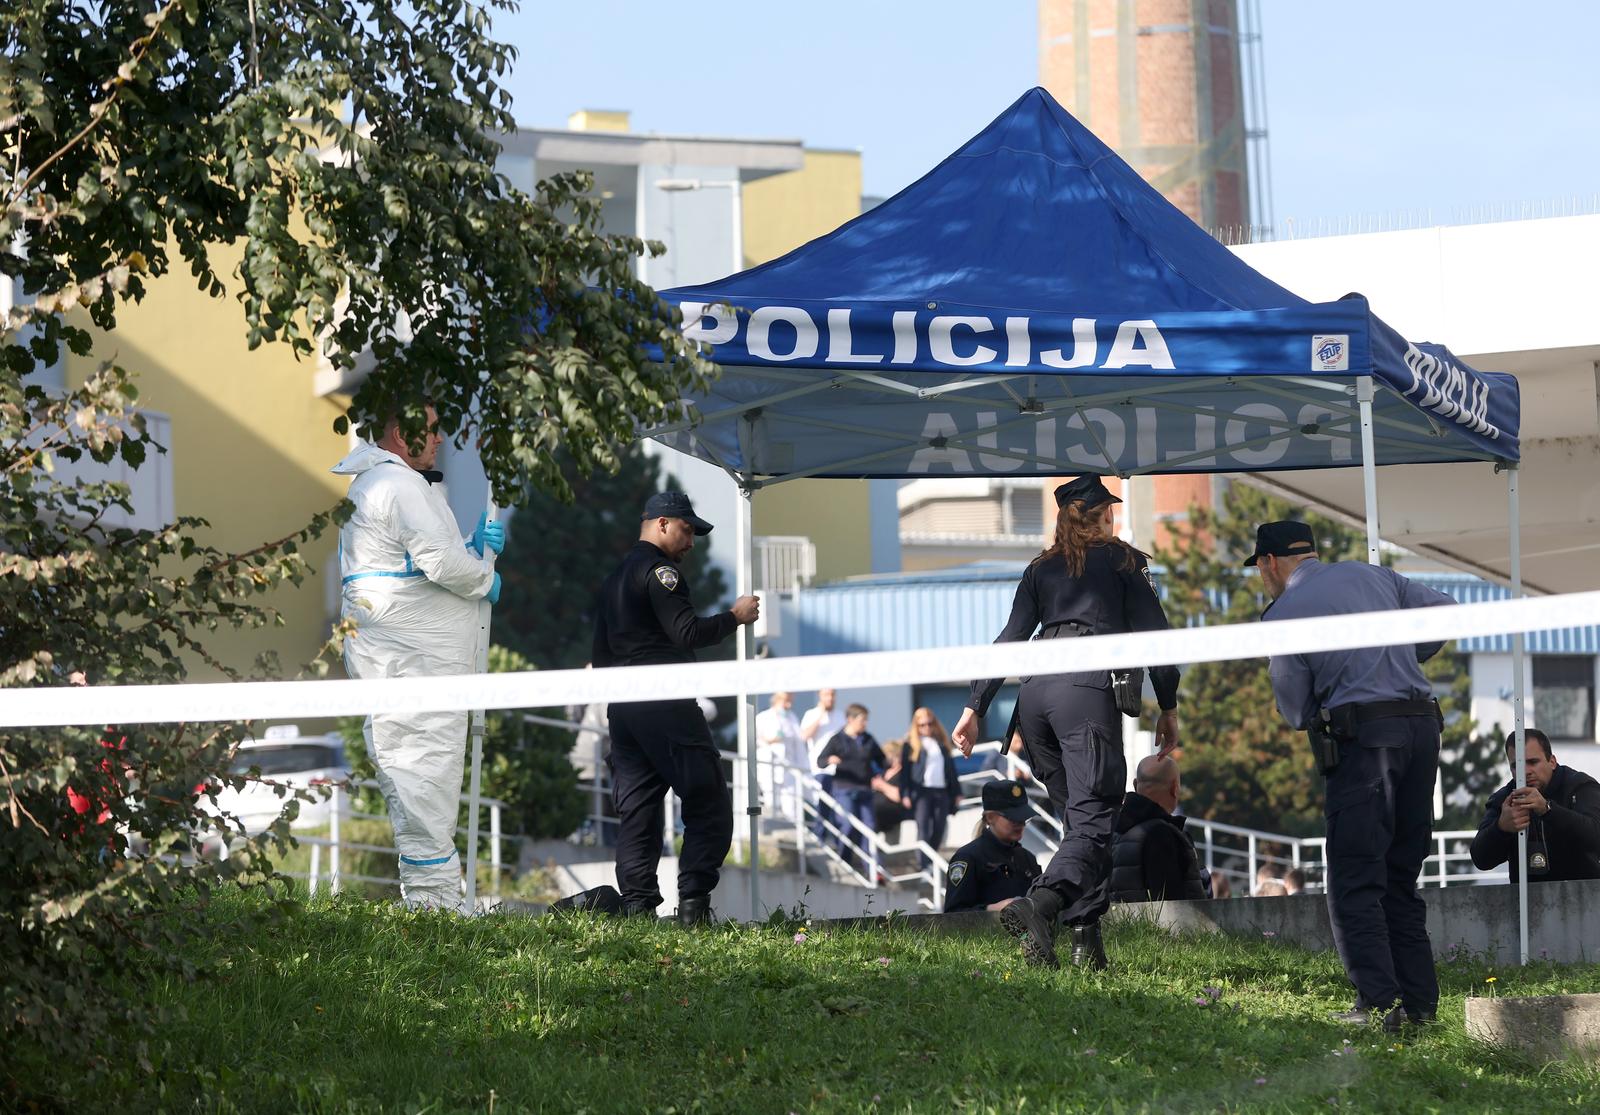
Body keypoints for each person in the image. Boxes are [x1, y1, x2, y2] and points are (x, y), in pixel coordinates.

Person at [952, 475, 1181, 971]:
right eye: (1109, 512)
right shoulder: (1123, 560)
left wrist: (975, 708)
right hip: (1084, 692)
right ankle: (1041, 904)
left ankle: (1086, 948)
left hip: (1035, 697)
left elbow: (1010, 638)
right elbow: (1157, 638)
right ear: (1102, 515)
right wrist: (1169, 704)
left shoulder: (1040, 568)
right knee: (1096, 819)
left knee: (1082, 825)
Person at [1255, 519, 1456, 1031]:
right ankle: (1419, 1009)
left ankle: (1380, 1004)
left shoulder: (1284, 612)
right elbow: (1447, 612)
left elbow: (1295, 709)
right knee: (1399, 878)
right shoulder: (1376, 576)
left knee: (1354, 878)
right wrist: (1401, 657)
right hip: (1421, 727)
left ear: (1269, 564)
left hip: (1367, 742)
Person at [334, 404, 502, 913]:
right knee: (423, 774)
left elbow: (412, 562)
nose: (438, 438)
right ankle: (435, 907)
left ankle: (437, 901)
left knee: (422, 776)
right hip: (414, 663)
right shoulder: (399, 486)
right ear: (401, 433)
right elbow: (439, 563)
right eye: (429, 430)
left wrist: (469, 548)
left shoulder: (383, 485)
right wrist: (481, 575)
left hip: (404, 660)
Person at [591, 490, 760, 925]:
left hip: (624, 710)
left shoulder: (613, 579)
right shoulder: (661, 572)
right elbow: (686, 633)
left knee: (639, 813)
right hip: (665, 701)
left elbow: (601, 656)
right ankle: (693, 907)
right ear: (662, 523)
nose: (691, 542)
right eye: (687, 530)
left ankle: (638, 909)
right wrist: (735, 617)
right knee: (709, 803)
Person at [1470, 728, 1600, 882]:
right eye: (1516, 766)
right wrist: (1501, 829)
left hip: (1585, 897)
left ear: (1552, 761)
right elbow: (1481, 860)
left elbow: (1595, 836)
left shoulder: (1579, 786)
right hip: (1529, 902)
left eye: (1533, 762)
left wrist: (1548, 810)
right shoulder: (1505, 799)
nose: (1525, 771)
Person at [1108, 755, 1207, 904]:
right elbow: (1172, 905)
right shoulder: (1162, 834)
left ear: (1135, 785)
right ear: (1175, 788)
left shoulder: (1112, 832)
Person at [817, 704, 894, 874]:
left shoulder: (867, 739)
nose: (865, 723)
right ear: (850, 720)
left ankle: (874, 870)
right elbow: (820, 761)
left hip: (864, 789)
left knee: (869, 827)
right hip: (844, 789)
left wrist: (890, 768)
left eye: (866, 720)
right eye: (862, 720)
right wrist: (830, 759)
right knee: (848, 826)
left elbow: (881, 760)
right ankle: (844, 860)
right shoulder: (837, 739)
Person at [944, 779, 1042, 913]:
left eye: (1023, 818)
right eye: (1013, 819)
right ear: (990, 818)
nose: (1020, 824)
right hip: (986, 934)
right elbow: (952, 915)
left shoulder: (1027, 858)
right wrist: (992, 910)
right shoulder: (968, 858)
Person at [897, 708, 961, 860]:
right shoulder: (910, 745)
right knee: (923, 829)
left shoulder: (941, 744)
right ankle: (923, 865)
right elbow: (904, 773)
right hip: (921, 791)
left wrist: (957, 792)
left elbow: (951, 770)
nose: (926, 727)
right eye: (922, 725)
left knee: (939, 827)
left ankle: (930, 860)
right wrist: (905, 794)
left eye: (929, 724)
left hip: (941, 790)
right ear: (916, 726)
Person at [800, 689, 846, 841]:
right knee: (822, 807)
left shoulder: (841, 716)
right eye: (827, 695)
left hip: (838, 771)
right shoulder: (811, 714)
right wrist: (821, 715)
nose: (830, 698)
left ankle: (837, 841)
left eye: (832, 695)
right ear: (820, 696)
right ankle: (820, 838)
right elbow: (804, 736)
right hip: (818, 768)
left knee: (838, 810)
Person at [755, 691, 807, 823]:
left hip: (789, 767)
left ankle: (793, 833)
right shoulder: (763, 717)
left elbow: (798, 742)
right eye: (785, 701)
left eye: (790, 701)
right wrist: (771, 740)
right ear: (776, 700)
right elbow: (755, 739)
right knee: (772, 801)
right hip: (769, 764)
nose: (788, 705)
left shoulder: (792, 718)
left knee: (791, 804)